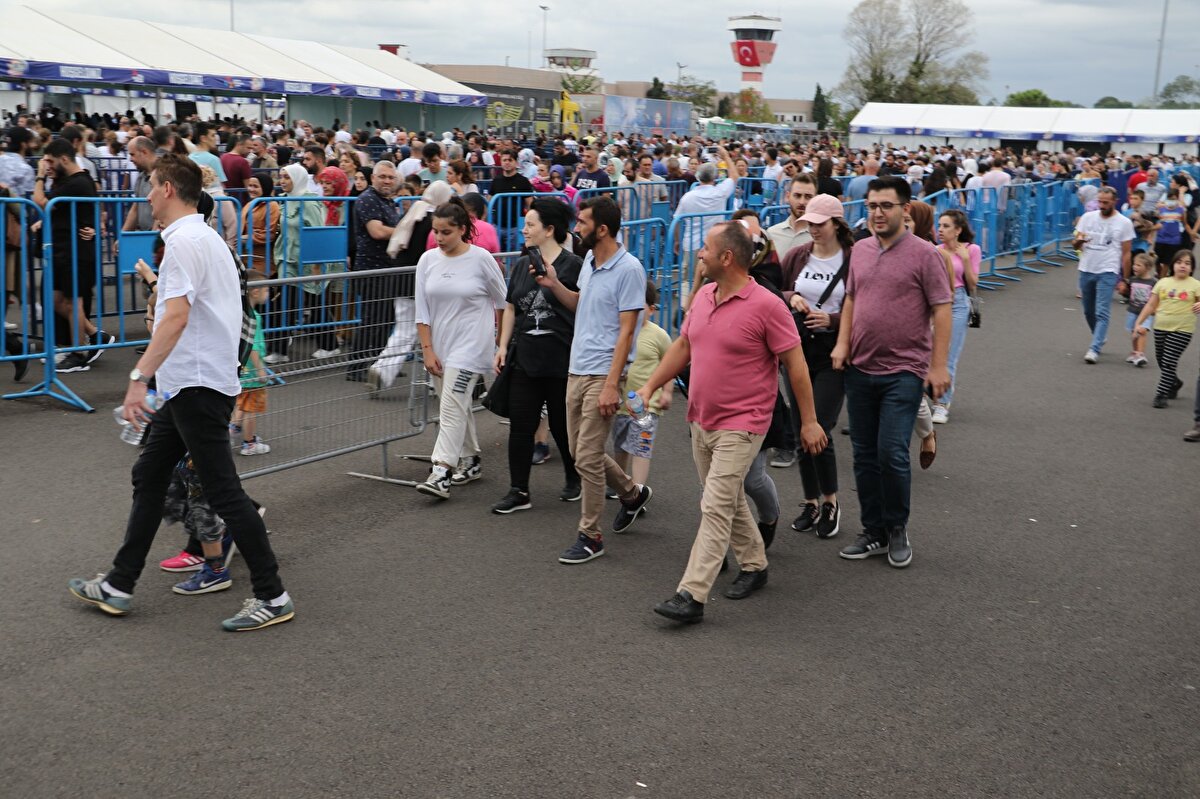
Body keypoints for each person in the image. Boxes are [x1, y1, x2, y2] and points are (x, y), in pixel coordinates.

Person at [67, 153, 293, 632]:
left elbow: (175, 316)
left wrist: (137, 379)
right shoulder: (201, 237)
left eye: (151, 185)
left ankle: (272, 595)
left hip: (195, 382)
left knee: (224, 492)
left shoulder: (187, 241)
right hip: (191, 382)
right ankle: (119, 583)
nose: (147, 195)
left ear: (168, 188)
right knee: (149, 475)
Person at [633, 221, 827, 624]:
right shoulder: (704, 295)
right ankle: (755, 564)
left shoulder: (767, 305)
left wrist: (808, 422)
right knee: (729, 499)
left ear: (727, 257)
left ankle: (691, 594)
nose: (698, 254)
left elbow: (796, 365)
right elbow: (684, 346)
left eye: (705, 248)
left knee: (715, 504)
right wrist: (651, 383)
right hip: (701, 418)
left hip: (745, 423)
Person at [832, 176, 952, 569]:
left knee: (891, 452)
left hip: (904, 369)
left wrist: (937, 366)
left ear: (905, 208)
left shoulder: (925, 255)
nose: (878, 213)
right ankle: (874, 531)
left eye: (886, 205)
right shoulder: (861, 249)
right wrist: (843, 343)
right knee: (864, 455)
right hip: (860, 367)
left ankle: (897, 526)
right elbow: (851, 297)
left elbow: (942, 308)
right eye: (872, 206)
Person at [531, 196, 651, 564]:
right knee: (584, 453)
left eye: (582, 222)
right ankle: (631, 493)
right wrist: (554, 285)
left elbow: (627, 331)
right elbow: (581, 304)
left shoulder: (629, 269)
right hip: (576, 368)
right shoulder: (588, 260)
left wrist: (613, 384)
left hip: (603, 372)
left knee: (585, 456)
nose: (576, 228)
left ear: (601, 229)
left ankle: (590, 535)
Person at [490, 199, 584, 514]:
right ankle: (519, 490)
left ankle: (574, 477)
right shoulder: (520, 265)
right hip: (524, 358)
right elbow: (512, 307)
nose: (523, 230)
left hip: (561, 360)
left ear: (549, 230)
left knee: (562, 425)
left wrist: (555, 285)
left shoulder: (574, 266)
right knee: (521, 425)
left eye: (530, 225)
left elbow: (582, 307)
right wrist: (502, 346)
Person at [414, 197, 507, 499]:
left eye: (447, 232)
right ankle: (471, 460)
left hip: (471, 346)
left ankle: (441, 471)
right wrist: (427, 349)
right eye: (436, 232)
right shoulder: (427, 261)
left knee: (452, 405)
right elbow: (422, 311)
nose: (440, 238)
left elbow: (504, 303)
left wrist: (501, 343)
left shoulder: (481, 259)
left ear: (463, 229)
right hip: (440, 346)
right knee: (454, 405)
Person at [779, 194, 853, 539]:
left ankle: (830, 501)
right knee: (799, 430)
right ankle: (810, 501)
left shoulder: (854, 259)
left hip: (832, 352)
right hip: (798, 350)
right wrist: (791, 296)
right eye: (809, 223)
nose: (813, 229)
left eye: (820, 224)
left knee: (818, 427)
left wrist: (833, 319)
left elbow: (865, 305)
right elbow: (776, 286)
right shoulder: (798, 255)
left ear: (837, 223)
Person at [31, 138, 109, 374]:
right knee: (56, 301)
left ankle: (78, 353)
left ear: (64, 159)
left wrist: (40, 176)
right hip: (64, 250)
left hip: (76, 252)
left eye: (52, 162)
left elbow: (41, 202)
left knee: (72, 302)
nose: (49, 166)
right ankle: (96, 335)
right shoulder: (69, 181)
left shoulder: (79, 182)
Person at [609, 280, 673, 492]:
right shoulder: (618, 331)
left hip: (647, 407)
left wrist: (667, 392)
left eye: (640, 307)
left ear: (652, 310)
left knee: (641, 448)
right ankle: (620, 481)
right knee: (620, 446)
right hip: (620, 404)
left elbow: (669, 364)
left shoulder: (658, 335)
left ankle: (638, 490)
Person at [265, 164, 324, 364]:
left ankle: (329, 344)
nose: (282, 181)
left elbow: (318, 232)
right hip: (286, 259)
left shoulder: (309, 202)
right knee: (285, 303)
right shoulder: (283, 201)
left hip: (306, 260)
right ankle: (279, 350)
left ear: (297, 179)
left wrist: (317, 264)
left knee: (316, 303)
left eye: (287, 177)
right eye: (281, 177)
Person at [1073, 187, 1134, 364]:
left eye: (1106, 202)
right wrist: (1079, 241)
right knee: (1088, 310)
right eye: (1100, 201)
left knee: (1102, 311)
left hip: (1108, 270)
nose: (1102, 205)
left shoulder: (1123, 222)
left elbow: (1127, 253)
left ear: (1115, 201)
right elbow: (1075, 244)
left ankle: (1094, 348)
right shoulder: (1087, 218)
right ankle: (1098, 336)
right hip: (1086, 268)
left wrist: (1125, 278)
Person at [931, 209, 981, 424]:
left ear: (958, 230)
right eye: (939, 225)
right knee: (927, 352)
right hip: (935, 303)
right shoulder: (934, 250)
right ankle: (925, 397)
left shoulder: (972, 249)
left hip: (959, 302)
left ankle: (942, 404)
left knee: (948, 355)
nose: (940, 230)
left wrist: (966, 260)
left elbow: (973, 283)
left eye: (946, 226)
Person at [1134, 250, 1200, 409]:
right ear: (1173, 265)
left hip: (1183, 329)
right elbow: (1151, 305)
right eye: (1179, 262)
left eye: (1187, 263)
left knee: (1169, 360)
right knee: (1162, 360)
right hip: (1161, 327)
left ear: (1192, 268)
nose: (1183, 266)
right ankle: (1174, 382)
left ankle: (1161, 394)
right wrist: (1139, 322)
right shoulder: (1163, 282)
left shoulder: (1195, 285)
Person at [229, 270, 271, 455]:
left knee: (242, 402)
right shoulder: (254, 317)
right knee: (251, 408)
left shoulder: (239, 313)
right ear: (255, 292)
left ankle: (232, 430)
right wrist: (261, 370)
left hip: (241, 368)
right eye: (267, 290)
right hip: (252, 370)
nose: (269, 293)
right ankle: (249, 443)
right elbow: (253, 346)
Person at [241, 173, 279, 272]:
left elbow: (269, 234)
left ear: (265, 187)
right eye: (250, 185)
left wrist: (248, 237)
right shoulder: (249, 204)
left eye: (255, 186)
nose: (251, 189)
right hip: (245, 256)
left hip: (261, 259)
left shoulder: (272, 205)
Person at [1125, 252, 1158, 367]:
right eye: (1134, 264)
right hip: (1133, 310)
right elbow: (1129, 293)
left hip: (1146, 313)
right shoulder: (1133, 280)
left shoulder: (1153, 282)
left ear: (1148, 268)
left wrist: (1156, 308)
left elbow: (1157, 297)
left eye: (1139, 265)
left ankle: (1140, 353)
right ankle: (1135, 352)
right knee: (1134, 332)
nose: (1135, 267)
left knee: (1142, 331)